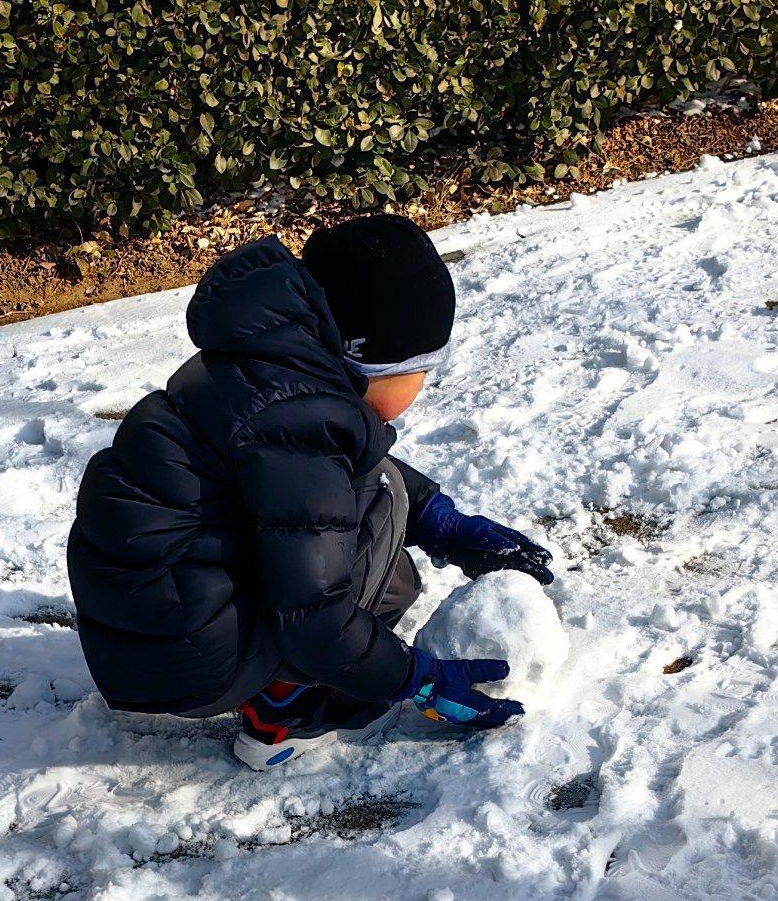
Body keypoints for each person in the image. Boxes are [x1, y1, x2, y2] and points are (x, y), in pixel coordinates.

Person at [67, 214, 553, 770]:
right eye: (420, 371)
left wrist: (439, 520)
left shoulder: (263, 373)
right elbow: (315, 614)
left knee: (375, 501)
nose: (423, 388)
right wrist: (416, 680)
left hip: (145, 633)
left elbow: (322, 474)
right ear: (373, 361)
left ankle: (271, 673)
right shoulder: (300, 417)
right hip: (189, 663)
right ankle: (284, 705)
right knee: (379, 532)